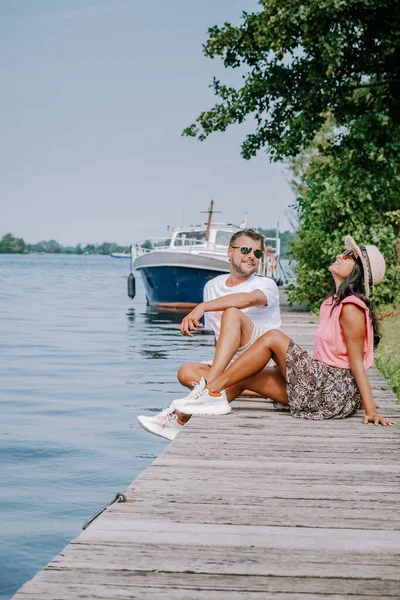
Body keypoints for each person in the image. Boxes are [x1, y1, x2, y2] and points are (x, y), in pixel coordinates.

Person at [172, 236, 396, 427]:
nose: (341, 255)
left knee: (273, 339)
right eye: (345, 251)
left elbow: (356, 362)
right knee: (243, 375)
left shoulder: (351, 308)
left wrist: (369, 408)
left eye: (349, 255)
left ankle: (208, 393)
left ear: (357, 271)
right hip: (319, 383)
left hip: (333, 391)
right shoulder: (331, 304)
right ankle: (185, 417)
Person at [137, 228, 281, 439]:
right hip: (234, 370)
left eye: (257, 253)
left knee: (231, 313)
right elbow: (219, 337)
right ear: (229, 252)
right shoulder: (212, 286)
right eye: (245, 250)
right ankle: (233, 388)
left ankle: (183, 413)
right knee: (185, 372)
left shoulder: (265, 284)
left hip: (261, 364)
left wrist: (203, 307)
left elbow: (247, 300)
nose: (252, 256)